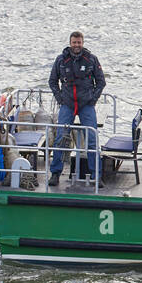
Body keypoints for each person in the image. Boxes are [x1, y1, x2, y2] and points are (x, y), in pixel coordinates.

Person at [47, 31, 106, 186]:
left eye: (79, 42)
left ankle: (96, 176)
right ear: (70, 43)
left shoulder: (91, 59)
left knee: (92, 140)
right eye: (74, 42)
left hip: (86, 105)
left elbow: (101, 82)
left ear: (83, 43)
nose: (77, 45)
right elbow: (52, 81)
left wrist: (93, 99)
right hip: (67, 104)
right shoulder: (61, 60)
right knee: (61, 138)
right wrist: (60, 98)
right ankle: (55, 173)